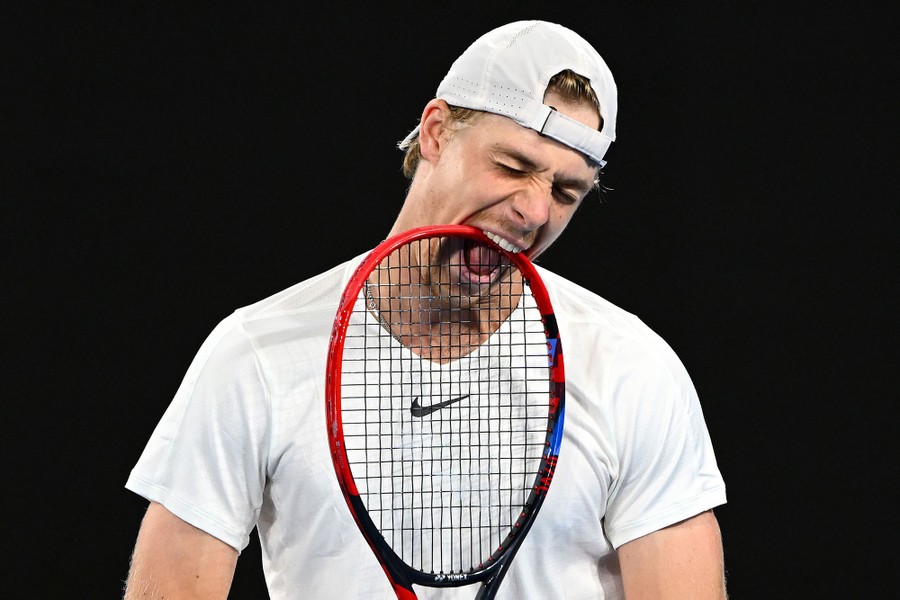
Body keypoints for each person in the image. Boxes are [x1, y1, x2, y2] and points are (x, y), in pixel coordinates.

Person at [124, 20, 727, 599]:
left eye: (566, 192)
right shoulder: (255, 353)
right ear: (436, 132)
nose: (535, 213)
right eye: (511, 167)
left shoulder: (634, 368)